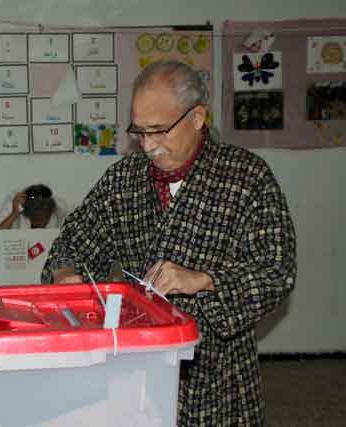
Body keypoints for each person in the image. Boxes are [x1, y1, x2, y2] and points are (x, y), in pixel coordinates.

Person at [41, 60, 296, 425]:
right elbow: (74, 243)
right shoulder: (123, 179)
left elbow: (276, 273)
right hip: (137, 364)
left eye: (160, 131)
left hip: (216, 372)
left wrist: (203, 280)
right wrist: (66, 273)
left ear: (197, 118)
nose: (148, 146)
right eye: (139, 132)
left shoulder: (246, 177)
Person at [0, 184, 65, 229]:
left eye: (45, 219)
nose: (41, 224)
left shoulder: (61, 208)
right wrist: (14, 213)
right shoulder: (15, 204)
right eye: (36, 219)